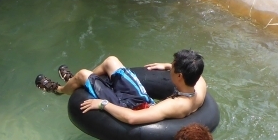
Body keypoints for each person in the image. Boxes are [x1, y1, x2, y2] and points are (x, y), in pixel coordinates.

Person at [35, 50, 207, 126]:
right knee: (111, 61)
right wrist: (166, 66)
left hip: (129, 109)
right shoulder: (199, 85)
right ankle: (81, 83)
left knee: (82, 74)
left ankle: (58, 89)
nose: (171, 66)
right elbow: (195, 73)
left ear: (180, 76)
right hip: (143, 102)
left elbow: (132, 118)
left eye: (173, 66)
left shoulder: (175, 105)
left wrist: (102, 104)